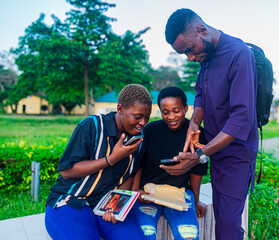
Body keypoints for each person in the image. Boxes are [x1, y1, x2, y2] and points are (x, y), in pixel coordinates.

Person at [163, 9, 258, 240]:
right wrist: (194, 123)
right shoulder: (206, 57)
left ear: (202, 31)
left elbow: (240, 120)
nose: (191, 58)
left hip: (235, 155)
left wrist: (199, 156)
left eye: (189, 50)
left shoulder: (239, 54)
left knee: (227, 226)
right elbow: (201, 95)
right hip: (216, 152)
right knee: (224, 218)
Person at [45, 84, 152, 240]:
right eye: (137, 116)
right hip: (71, 199)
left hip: (106, 202)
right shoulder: (92, 126)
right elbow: (67, 171)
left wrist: (115, 206)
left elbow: (129, 176)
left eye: (147, 116)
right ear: (120, 109)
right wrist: (111, 159)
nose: (143, 122)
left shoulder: (138, 139)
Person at [132, 86, 207, 240]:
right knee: (145, 233)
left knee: (189, 236)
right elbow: (138, 164)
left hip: (179, 193)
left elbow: (197, 171)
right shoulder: (150, 130)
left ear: (186, 108)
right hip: (149, 193)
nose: (171, 116)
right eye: (165, 112)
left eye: (176, 110)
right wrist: (136, 192)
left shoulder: (196, 133)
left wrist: (196, 200)